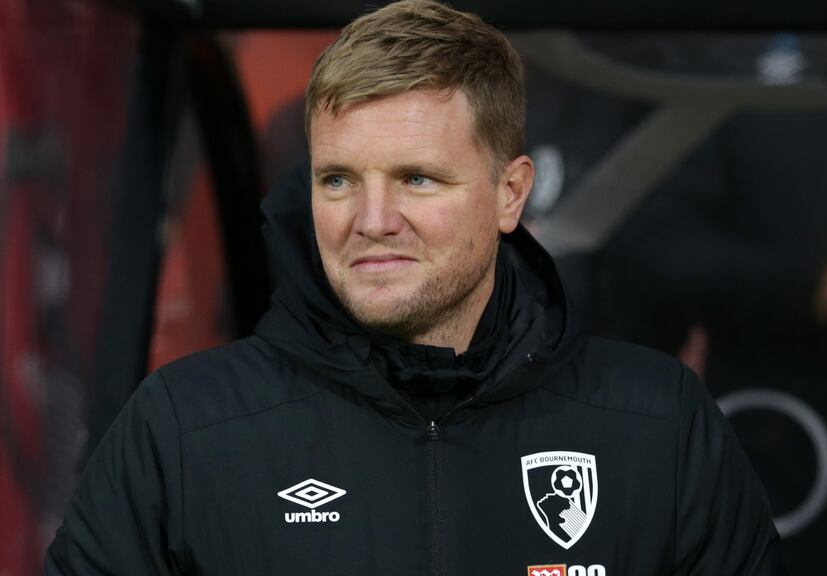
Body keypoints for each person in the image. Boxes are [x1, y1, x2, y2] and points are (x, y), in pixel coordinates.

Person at [45, 1, 786, 573]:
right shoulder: (182, 430)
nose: (371, 220)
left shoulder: (657, 426)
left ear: (509, 192)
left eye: (416, 179)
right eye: (338, 180)